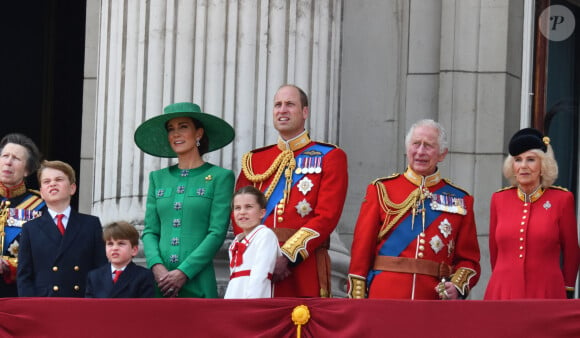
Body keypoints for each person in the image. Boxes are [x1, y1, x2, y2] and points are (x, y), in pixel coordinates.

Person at [235, 84, 348, 297]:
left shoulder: (330, 157)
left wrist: (288, 256)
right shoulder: (255, 161)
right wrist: (256, 254)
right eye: (278, 105)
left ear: (305, 112)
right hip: (257, 263)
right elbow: (239, 212)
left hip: (303, 265)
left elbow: (326, 216)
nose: (282, 110)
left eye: (290, 104)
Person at [347, 119, 481, 300]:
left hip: (432, 299)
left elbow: (469, 260)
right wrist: (357, 298)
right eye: (416, 144)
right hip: (384, 295)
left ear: (442, 154)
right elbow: (361, 250)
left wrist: (456, 286)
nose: (420, 152)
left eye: (428, 146)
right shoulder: (381, 189)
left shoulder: (461, 199)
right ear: (407, 148)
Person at [135, 102, 235, 298]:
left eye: (183, 127)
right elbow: (150, 231)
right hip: (159, 283)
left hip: (199, 281)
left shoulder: (220, 177)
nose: (176, 134)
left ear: (198, 133)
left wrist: (184, 271)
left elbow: (216, 232)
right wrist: (156, 267)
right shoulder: (158, 178)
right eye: (171, 129)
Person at [484, 128, 580, 300]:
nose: (523, 166)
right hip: (503, 292)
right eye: (518, 160)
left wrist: (567, 290)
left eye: (531, 160)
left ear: (543, 165)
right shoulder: (499, 199)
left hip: (547, 292)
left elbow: (572, 251)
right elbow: (494, 253)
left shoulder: (562, 199)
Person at [17, 160, 107, 297]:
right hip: (44, 305)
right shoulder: (30, 228)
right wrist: (31, 308)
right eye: (46, 181)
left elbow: (101, 270)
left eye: (59, 179)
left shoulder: (91, 224)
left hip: (81, 302)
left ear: (72, 188)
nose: (52, 184)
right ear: (41, 192)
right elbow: (24, 277)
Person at [0, 133, 45, 297]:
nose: (8, 162)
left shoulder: (41, 205)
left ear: (27, 170)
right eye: (5, 156)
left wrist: (9, 266)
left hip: (17, 293)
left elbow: (45, 254)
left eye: (16, 159)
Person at [224, 186, 281, 299]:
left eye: (248, 207)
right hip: (233, 301)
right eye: (237, 208)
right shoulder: (235, 243)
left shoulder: (265, 235)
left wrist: (251, 306)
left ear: (262, 213)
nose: (242, 212)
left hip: (252, 303)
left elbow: (260, 276)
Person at [86, 221, 155, 298]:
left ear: (134, 250)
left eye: (121, 243)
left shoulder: (143, 276)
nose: (114, 248)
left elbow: (145, 307)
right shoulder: (95, 276)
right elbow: (89, 306)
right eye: (110, 244)